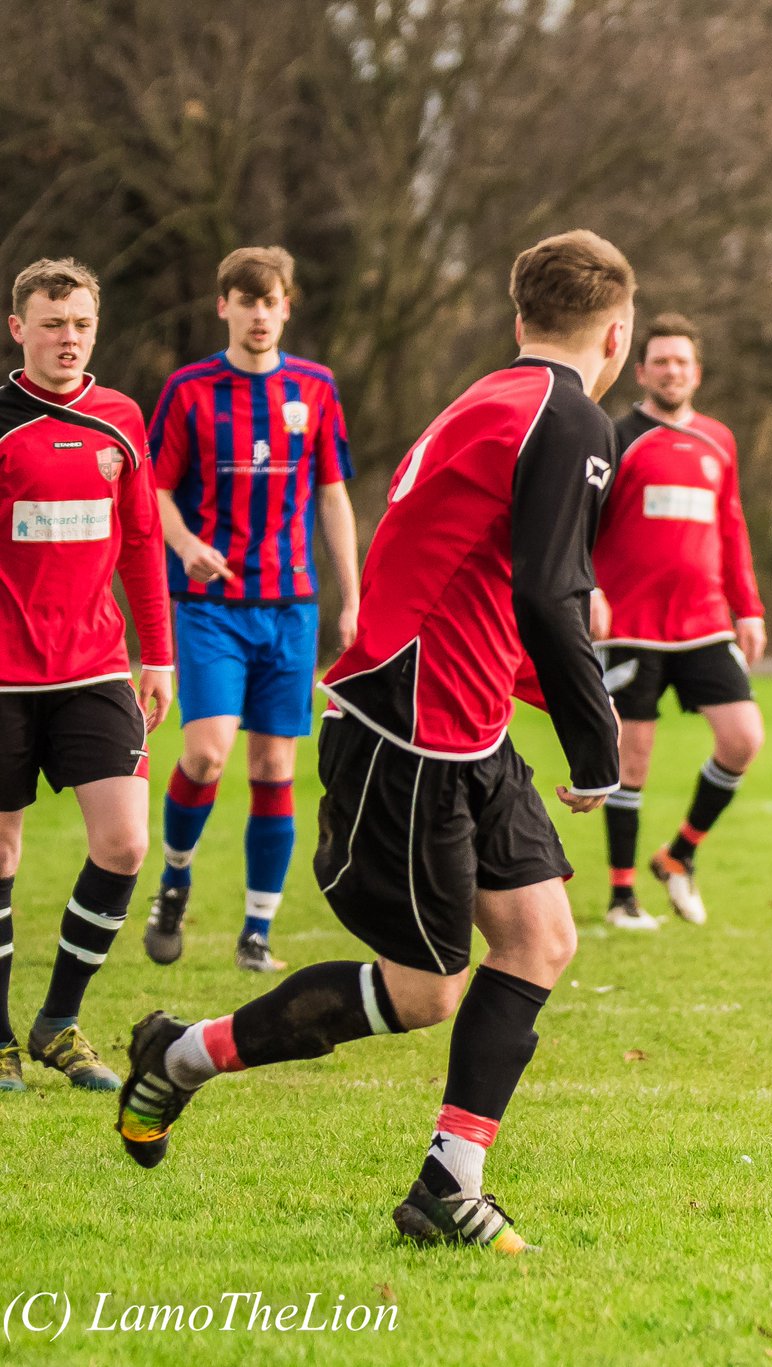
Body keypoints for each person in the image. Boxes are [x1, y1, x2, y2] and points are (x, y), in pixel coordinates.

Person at [117, 230, 629, 1253]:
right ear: (615, 333)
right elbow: (548, 591)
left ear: (516, 316)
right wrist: (595, 742)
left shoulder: (496, 397)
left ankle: (448, 1182)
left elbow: (486, 583)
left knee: (541, 938)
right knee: (425, 989)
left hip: (460, 721)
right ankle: (179, 1056)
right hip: (413, 730)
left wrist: (539, 698)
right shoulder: (568, 416)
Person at [143, 246, 359, 973]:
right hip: (210, 604)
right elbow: (156, 490)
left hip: (291, 607)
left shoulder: (316, 388)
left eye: (272, 301)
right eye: (247, 300)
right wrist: (185, 543)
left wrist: (351, 597)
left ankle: (256, 931)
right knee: (205, 754)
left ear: (287, 308)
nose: (260, 314)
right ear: (223, 306)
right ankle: (174, 878)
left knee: (273, 767)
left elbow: (333, 495)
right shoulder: (190, 389)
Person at [0, 257, 173, 1094]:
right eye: (52, 323)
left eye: (80, 325)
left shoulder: (120, 419)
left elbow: (141, 542)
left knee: (125, 840)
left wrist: (159, 652)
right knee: (2, 850)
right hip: (3, 676)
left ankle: (57, 1022)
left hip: (96, 666)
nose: (67, 339)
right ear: (18, 329)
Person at [592, 312, 765, 929]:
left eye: (682, 362)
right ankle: (620, 896)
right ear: (640, 371)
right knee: (630, 759)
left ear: (698, 372)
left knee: (743, 738)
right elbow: (579, 525)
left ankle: (678, 855)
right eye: (661, 361)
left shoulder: (719, 439)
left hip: (706, 624)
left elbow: (731, 527)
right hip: (631, 625)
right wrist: (589, 592)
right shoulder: (615, 438)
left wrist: (749, 607)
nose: (672, 371)